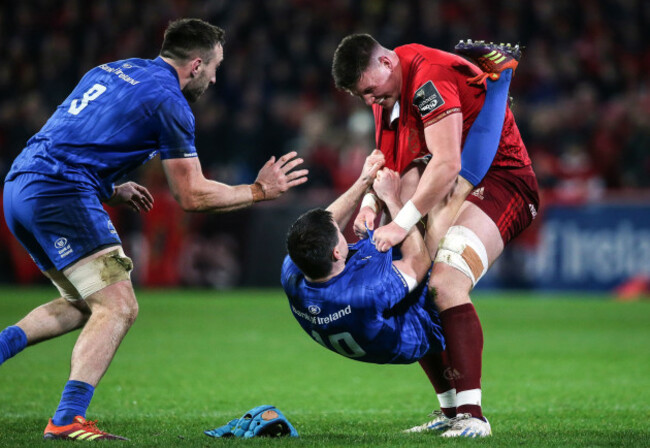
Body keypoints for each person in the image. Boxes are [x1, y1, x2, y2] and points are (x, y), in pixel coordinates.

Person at [1, 18, 307, 441]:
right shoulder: (171, 101)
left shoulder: (109, 70)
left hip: (20, 185)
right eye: (216, 66)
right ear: (196, 64)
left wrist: (110, 185)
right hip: (61, 194)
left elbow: (69, 136)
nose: (216, 78)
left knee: (81, 304)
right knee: (119, 307)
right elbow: (192, 195)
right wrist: (258, 190)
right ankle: (67, 418)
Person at [282, 50, 516, 437]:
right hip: (405, 330)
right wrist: (389, 204)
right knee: (440, 244)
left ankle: (452, 410)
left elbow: (324, 223)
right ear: (339, 251)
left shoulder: (296, 273)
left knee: (410, 190)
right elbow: (419, 260)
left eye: (371, 94)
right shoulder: (368, 292)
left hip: (364, 318)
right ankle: (501, 84)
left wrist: (364, 188)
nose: (371, 101)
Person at [332, 37, 539, 437]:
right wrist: (372, 206)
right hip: (455, 183)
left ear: (388, 63)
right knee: (414, 285)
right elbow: (392, 167)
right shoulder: (385, 98)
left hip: (504, 182)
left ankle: (473, 416)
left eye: (369, 90)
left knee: (446, 282)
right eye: (362, 96)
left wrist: (401, 222)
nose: (369, 100)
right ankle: (450, 412)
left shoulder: (429, 76)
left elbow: (447, 164)